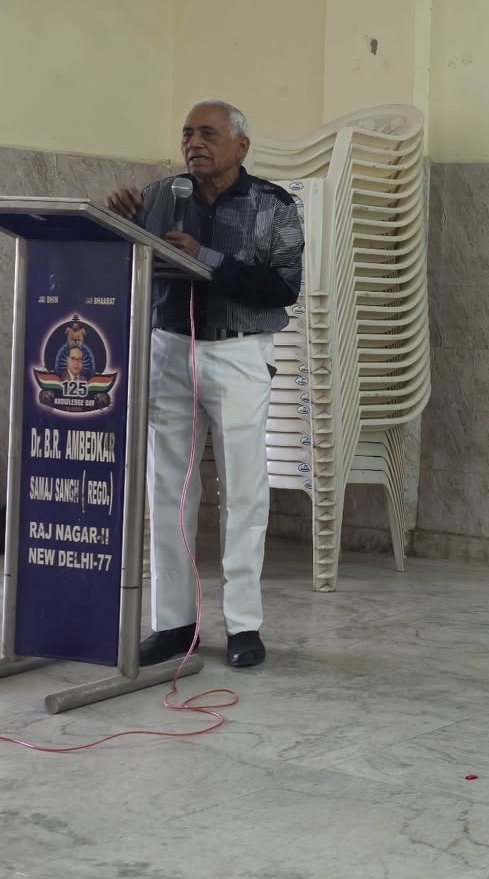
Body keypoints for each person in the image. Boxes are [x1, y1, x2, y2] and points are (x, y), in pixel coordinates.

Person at [108, 100, 302, 669]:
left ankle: (243, 626)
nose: (193, 143)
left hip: (239, 353)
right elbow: (129, 265)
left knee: (243, 492)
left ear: (241, 146)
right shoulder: (160, 197)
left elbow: (284, 286)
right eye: (187, 133)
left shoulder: (273, 205)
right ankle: (174, 624)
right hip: (168, 349)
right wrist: (121, 222)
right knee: (168, 489)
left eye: (208, 134)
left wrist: (209, 259)